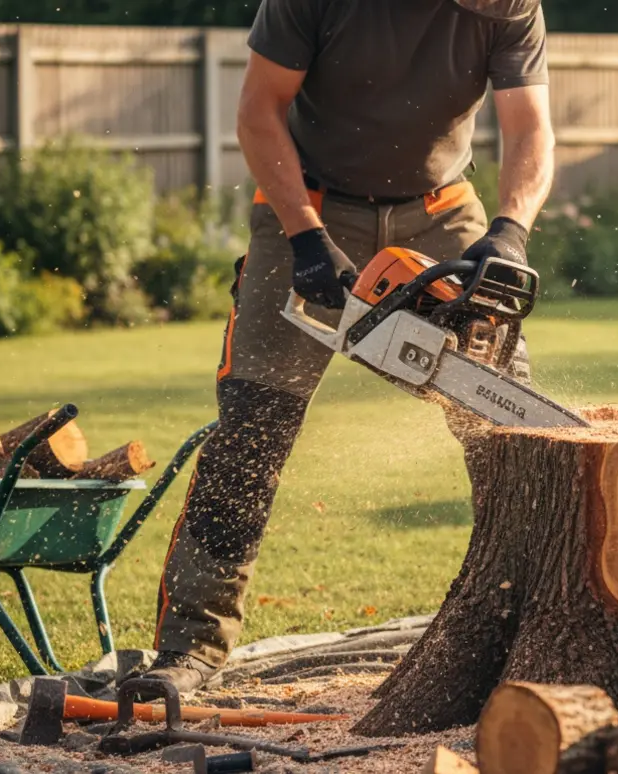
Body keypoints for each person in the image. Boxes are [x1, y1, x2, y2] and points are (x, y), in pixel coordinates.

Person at [134, 0, 554, 694]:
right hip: (310, 201)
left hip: (441, 210)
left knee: (510, 422)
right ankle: (192, 649)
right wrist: (302, 233)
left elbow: (530, 128)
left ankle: (533, 617)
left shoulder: (507, 9)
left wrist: (509, 230)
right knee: (252, 429)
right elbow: (259, 110)